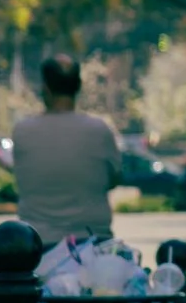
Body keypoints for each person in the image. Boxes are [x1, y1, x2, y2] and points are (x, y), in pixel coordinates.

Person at [10, 53, 121, 247]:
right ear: (78, 86)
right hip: (93, 242)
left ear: (45, 88)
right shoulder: (100, 131)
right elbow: (114, 179)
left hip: (39, 244)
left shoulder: (22, 132)